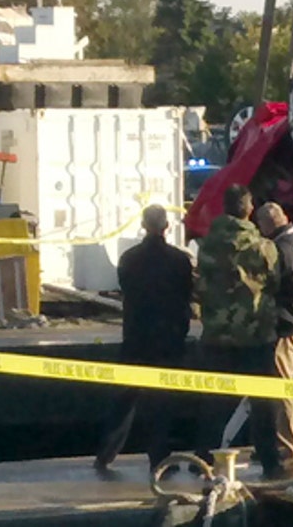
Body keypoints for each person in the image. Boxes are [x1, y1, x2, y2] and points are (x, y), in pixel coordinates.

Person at [193, 185, 288, 480]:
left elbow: (199, 285)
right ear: (249, 209)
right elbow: (276, 283)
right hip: (255, 335)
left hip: (217, 334)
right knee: (263, 404)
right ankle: (271, 462)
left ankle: (202, 459)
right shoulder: (264, 247)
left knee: (214, 403)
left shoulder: (207, 245)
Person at [94, 205, 193, 479]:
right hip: (169, 337)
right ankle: (159, 459)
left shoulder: (129, 258)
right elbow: (186, 295)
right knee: (162, 402)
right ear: (167, 227)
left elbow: (127, 290)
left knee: (126, 397)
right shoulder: (180, 260)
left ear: (143, 225)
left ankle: (106, 453)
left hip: (136, 335)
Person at [255, 202, 293, 467]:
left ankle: (292, 447)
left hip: (288, 323)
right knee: (284, 381)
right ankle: (285, 441)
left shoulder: (281, 248)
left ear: (267, 226)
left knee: (283, 385)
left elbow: (277, 285)